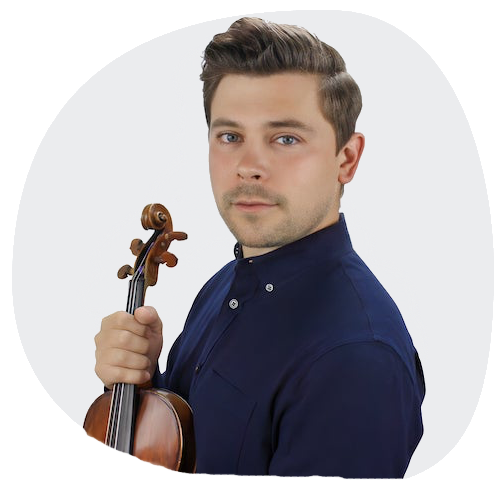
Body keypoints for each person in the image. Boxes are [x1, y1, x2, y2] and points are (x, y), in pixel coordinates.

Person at [94, 17, 425, 479]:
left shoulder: (355, 360)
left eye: (285, 139)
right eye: (230, 137)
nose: (249, 166)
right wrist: (143, 387)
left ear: (346, 159)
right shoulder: (223, 287)